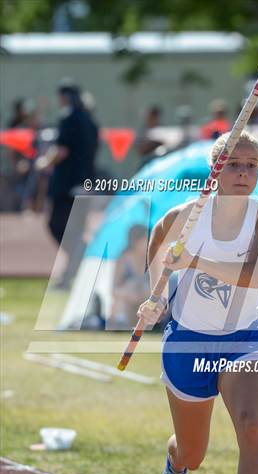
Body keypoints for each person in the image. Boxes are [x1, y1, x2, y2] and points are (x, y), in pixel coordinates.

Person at [137, 131, 258, 474]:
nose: (243, 172)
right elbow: (159, 249)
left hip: (243, 339)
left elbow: (255, 276)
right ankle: (175, 459)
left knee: (252, 427)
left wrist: (196, 261)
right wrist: (155, 298)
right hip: (188, 342)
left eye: (251, 165)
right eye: (234, 164)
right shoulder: (185, 215)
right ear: (216, 170)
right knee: (193, 453)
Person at [36, 79, 99, 288]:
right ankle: (75, 269)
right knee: (76, 230)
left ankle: (79, 260)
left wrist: (44, 162)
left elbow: (61, 150)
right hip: (86, 183)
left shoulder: (69, 118)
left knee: (56, 225)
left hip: (68, 185)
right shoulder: (90, 121)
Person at [109, 224, 150, 329]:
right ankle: (119, 323)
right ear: (135, 241)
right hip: (128, 301)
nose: (149, 242)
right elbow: (114, 290)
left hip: (145, 302)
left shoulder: (152, 260)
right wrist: (130, 295)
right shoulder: (123, 260)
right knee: (129, 287)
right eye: (146, 239)